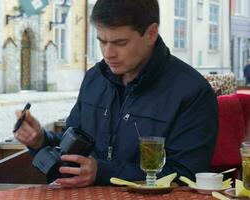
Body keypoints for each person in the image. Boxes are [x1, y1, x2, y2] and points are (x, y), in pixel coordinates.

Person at [14, 0, 218, 187]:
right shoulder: (94, 78)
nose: (108, 53)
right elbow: (71, 150)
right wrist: (40, 140)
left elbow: (187, 176)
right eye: (102, 41)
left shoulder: (193, 92)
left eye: (120, 43)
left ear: (151, 34)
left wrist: (102, 172)